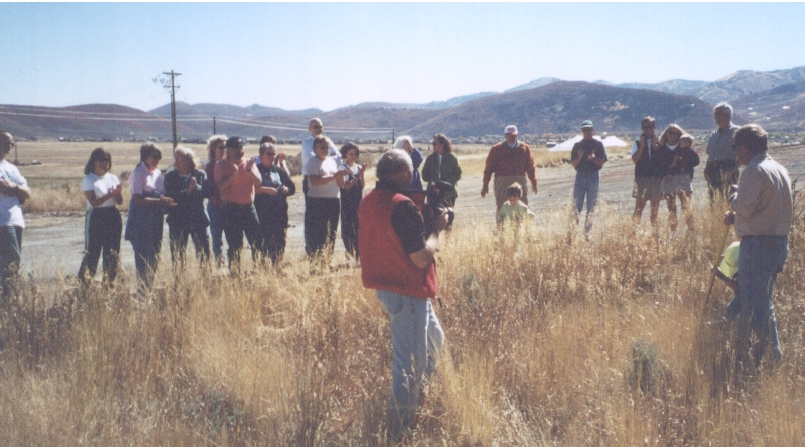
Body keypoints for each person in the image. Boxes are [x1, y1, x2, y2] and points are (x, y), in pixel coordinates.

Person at [358, 149, 449, 444]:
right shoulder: (402, 206)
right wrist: (436, 230)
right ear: (403, 174)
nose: (413, 176)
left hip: (390, 287)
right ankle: (398, 431)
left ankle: (416, 397)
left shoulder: (369, 200)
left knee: (435, 340)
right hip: (408, 291)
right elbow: (421, 258)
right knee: (409, 365)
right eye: (411, 171)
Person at [723, 124, 793, 368]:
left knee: (755, 305)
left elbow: (743, 207)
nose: (735, 153)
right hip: (778, 244)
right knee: (761, 301)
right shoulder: (778, 168)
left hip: (758, 246)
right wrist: (738, 218)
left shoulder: (754, 170)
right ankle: (761, 353)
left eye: (736, 148)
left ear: (744, 147)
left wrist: (732, 197)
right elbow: (764, 209)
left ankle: (770, 359)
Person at [125, 143, 175, 296]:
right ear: (144, 156)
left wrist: (165, 201)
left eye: (159, 157)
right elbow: (139, 199)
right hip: (141, 217)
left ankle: (149, 288)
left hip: (156, 218)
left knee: (154, 252)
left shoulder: (158, 173)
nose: (156, 160)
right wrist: (160, 202)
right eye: (154, 157)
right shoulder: (138, 173)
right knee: (142, 254)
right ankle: (141, 291)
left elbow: (160, 194)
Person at [214, 136, 262, 270]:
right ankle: (235, 274)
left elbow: (258, 183)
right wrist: (233, 174)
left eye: (241, 148)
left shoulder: (249, 163)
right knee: (235, 245)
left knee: (257, 242)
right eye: (235, 148)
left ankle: (258, 271)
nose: (239, 151)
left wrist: (250, 170)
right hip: (231, 209)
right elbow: (220, 188)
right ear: (228, 150)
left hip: (248, 208)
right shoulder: (220, 165)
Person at [78, 147, 123, 285]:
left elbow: (120, 201)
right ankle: (84, 285)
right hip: (97, 216)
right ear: (94, 161)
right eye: (101, 160)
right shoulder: (89, 179)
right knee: (93, 252)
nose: (104, 163)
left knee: (112, 252)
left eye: (106, 160)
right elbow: (94, 202)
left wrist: (117, 195)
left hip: (112, 214)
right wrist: (110, 194)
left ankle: (109, 284)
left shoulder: (113, 178)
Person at [164, 146, 210, 266]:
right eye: (175, 159)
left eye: (180, 159)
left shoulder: (200, 174)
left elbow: (207, 192)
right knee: (178, 256)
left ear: (189, 160)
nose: (176, 162)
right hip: (177, 221)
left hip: (198, 220)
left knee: (204, 255)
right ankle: (179, 282)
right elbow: (171, 196)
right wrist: (188, 191)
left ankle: (206, 280)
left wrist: (197, 188)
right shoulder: (170, 177)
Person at [304, 136, 349, 260]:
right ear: (315, 148)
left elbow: (340, 184)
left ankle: (327, 260)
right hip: (318, 202)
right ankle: (315, 262)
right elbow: (315, 181)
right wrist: (335, 176)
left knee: (331, 233)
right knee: (317, 234)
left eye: (327, 147)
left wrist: (341, 176)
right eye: (322, 147)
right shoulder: (312, 162)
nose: (325, 150)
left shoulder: (332, 161)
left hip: (333, 200)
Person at [0, 131, 31, 297]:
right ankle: (9, 301)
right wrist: (16, 190)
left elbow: (27, 192)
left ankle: (8, 301)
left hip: (17, 220)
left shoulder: (11, 168)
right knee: (11, 263)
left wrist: (16, 188)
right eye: (7, 142)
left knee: (13, 262)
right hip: (3, 221)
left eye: (11, 143)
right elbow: (3, 188)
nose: (10, 146)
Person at [481, 125, 538, 214]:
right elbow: (488, 169)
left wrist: (534, 182)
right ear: (505, 135)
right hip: (502, 180)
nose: (511, 137)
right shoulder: (496, 149)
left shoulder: (524, 148)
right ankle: (502, 227)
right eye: (509, 135)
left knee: (522, 203)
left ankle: (523, 226)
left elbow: (530, 167)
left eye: (513, 135)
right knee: (502, 205)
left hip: (520, 179)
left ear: (517, 135)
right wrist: (485, 185)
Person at [254, 142, 295, 265]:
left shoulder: (278, 170)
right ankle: (263, 268)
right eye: (268, 154)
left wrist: (286, 190)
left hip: (280, 213)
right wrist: (265, 190)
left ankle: (277, 266)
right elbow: (249, 189)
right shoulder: (256, 170)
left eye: (273, 154)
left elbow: (291, 187)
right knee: (264, 243)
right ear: (261, 155)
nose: (271, 156)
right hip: (262, 213)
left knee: (280, 242)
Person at [569, 120, 607, 233]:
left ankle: (587, 234)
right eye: (584, 129)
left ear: (592, 130)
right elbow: (573, 164)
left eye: (588, 129)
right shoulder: (577, 145)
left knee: (591, 206)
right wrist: (579, 158)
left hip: (593, 176)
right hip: (580, 176)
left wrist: (594, 158)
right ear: (582, 131)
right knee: (576, 206)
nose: (586, 131)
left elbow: (602, 162)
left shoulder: (598, 144)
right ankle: (573, 232)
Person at [660, 127, 700, 233]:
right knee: (671, 209)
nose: (673, 135)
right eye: (670, 133)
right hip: (668, 178)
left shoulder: (685, 147)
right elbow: (659, 165)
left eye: (676, 133)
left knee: (686, 206)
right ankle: (673, 233)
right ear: (666, 134)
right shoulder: (662, 148)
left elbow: (693, 162)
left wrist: (687, 171)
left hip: (683, 178)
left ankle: (692, 231)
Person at [631, 116, 665, 227]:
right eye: (645, 127)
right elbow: (635, 160)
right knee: (639, 207)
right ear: (642, 129)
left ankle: (655, 233)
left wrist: (656, 146)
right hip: (641, 178)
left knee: (655, 208)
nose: (648, 129)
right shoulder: (636, 142)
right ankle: (633, 232)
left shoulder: (660, 142)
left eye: (650, 127)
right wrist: (642, 147)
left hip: (656, 178)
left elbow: (663, 161)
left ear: (654, 127)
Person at [422, 134, 461, 224]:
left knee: (448, 217)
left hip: (449, 192)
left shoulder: (452, 158)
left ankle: (448, 238)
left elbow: (458, 174)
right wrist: (434, 185)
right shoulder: (430, 158)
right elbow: (425, 176)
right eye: (432, 143)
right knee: (433, 219)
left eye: (435, 143)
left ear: (442, 144)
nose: (433, 145)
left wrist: (446, 184)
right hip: (433, 192)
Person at [705, 102, 740, 202]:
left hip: (728, 169)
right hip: (713, 170)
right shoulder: (714, 134)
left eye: (718, 114)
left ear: (728, 115)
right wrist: (706, 169)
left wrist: (733, 169)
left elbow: (744, 154)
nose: (716, 117)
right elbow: (710, 154)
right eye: (715, 115)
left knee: (729, 201)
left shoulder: (737, 132)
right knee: (714, 202)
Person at [301, 118, 341, 201]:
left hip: (330, 180)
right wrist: (330, 158)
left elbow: (338, 157)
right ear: (310, 129)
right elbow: (313, 160)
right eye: (316, 127)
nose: (318, 129)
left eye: (320, 127)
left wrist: (325, 158)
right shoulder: (306, 144)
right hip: (313, 180)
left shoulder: (328, 141)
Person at [339, 143, 365, 263]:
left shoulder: (358, 167)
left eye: (355, 153)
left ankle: (358, 256)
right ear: (345, 154)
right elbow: (347, 186)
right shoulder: (342, 167)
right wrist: (358, 176)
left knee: (358, 228)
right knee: (348, 228)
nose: (353, 156)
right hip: (347, 202)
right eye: (350, 153)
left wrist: (362, 175)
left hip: (358, 201)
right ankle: (350, 254)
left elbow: (362, 186)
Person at [204, 135, 227, 265]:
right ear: (214, 149)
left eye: (225, 147)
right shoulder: (210, 166)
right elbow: (213, 187)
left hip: (228, 205)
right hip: (216, 205)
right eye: (221, 147)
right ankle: (220, 265)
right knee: (217, 238)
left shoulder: (229, 164)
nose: (224, 150)